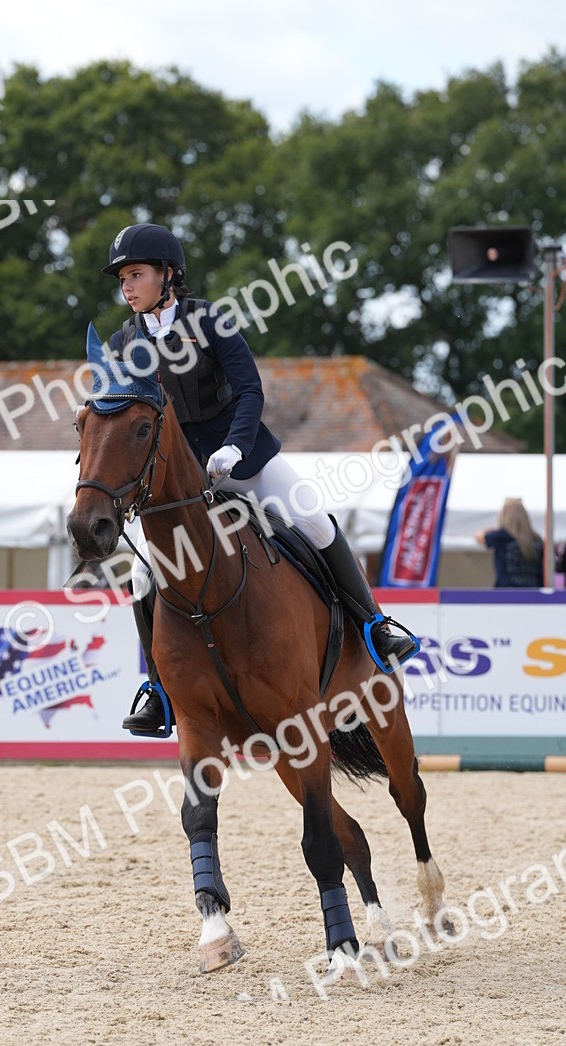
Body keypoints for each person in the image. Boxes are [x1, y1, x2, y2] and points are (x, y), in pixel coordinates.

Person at [99, 223, 420, 734]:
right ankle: (156, 690)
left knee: (314, 520)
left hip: (242, 457)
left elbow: (250, 390)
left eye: (136, 274)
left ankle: (376, 627)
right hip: (179, 480)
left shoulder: (211, 321)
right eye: (122, 278)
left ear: (168, 275)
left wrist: (235, 446)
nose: (127, 286)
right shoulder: (124, 342)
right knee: (141, 574)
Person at [475, 499, 543, 588]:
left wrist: (500, 527)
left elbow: (479, 536)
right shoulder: (537, 539)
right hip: (533, 590)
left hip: (506, 591)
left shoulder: (501, 536)